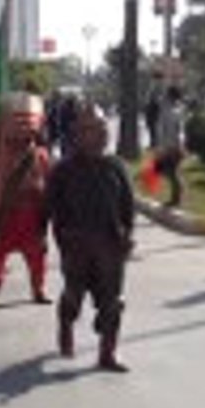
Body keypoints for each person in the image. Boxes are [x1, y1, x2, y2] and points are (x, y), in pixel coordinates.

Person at [46, 104, 135, 373]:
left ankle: (107, 353)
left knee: (113, 302)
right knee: (74, 295)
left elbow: (127, 206)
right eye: (87, 130)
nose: (95, 136)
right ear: (76, 134)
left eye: (99, 130)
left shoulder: (116, 167)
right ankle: (66, 326)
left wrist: (126, 236)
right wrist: (64, 240)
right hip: (77, 246)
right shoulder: (63, 171)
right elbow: (53, 210)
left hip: (110, 246)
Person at [0, 93, 53, 304]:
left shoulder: (40, 154)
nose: (23, 131)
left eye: (28, 127)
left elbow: (49, 178)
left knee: (37, 255)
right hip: (9, 211)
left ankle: (38, 289)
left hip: (32, 214)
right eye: (18, 126)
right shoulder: (3, 151)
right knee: (0, 250)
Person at [155, 86, 187, 207]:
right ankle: (176, 197)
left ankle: (176, 199)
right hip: (167, 146)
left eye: (167, 95)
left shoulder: (174, 112)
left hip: (172, 146)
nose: (165, 96)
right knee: (165, 170)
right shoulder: (168, 109)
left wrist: (177, 146)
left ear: (171, 97)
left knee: (171, 172)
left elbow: (179, 131)